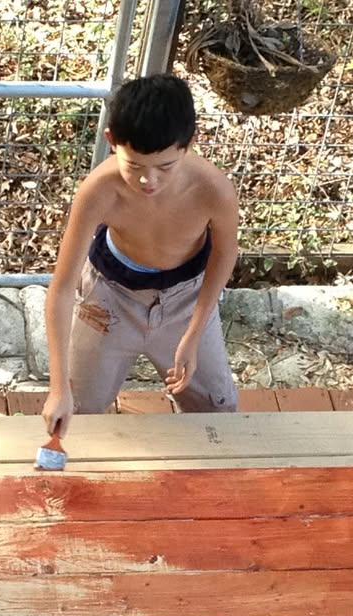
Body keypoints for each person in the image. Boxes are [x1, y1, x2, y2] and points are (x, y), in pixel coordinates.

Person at [42, 74, 240, 438]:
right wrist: (57, 389)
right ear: (112, 141)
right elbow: (63, 286)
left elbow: (225, 254)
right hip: (110, 297)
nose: (149, 181)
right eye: (133, 166)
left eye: (165, 167)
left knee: (219, 409)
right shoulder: (98, 191)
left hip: (187, 298)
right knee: (76, 410)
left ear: (189, 144)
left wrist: (194, 333)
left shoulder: (214, 190)